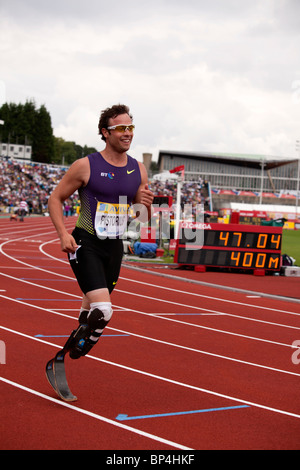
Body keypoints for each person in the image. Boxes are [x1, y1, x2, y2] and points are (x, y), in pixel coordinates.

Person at [48, 104, 154, 359]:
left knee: (91, 309)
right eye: (121, 128)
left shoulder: (138, 168)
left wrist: (145, 206)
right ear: (106, 133)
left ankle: (74, 343)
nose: (127, 133)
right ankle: (77, 349)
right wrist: (63, 234)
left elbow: (141, 218)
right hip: (86, 243)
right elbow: (55, 199)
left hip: (113, 247)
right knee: (104, 310)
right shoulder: (86, 165)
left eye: (131, 127)